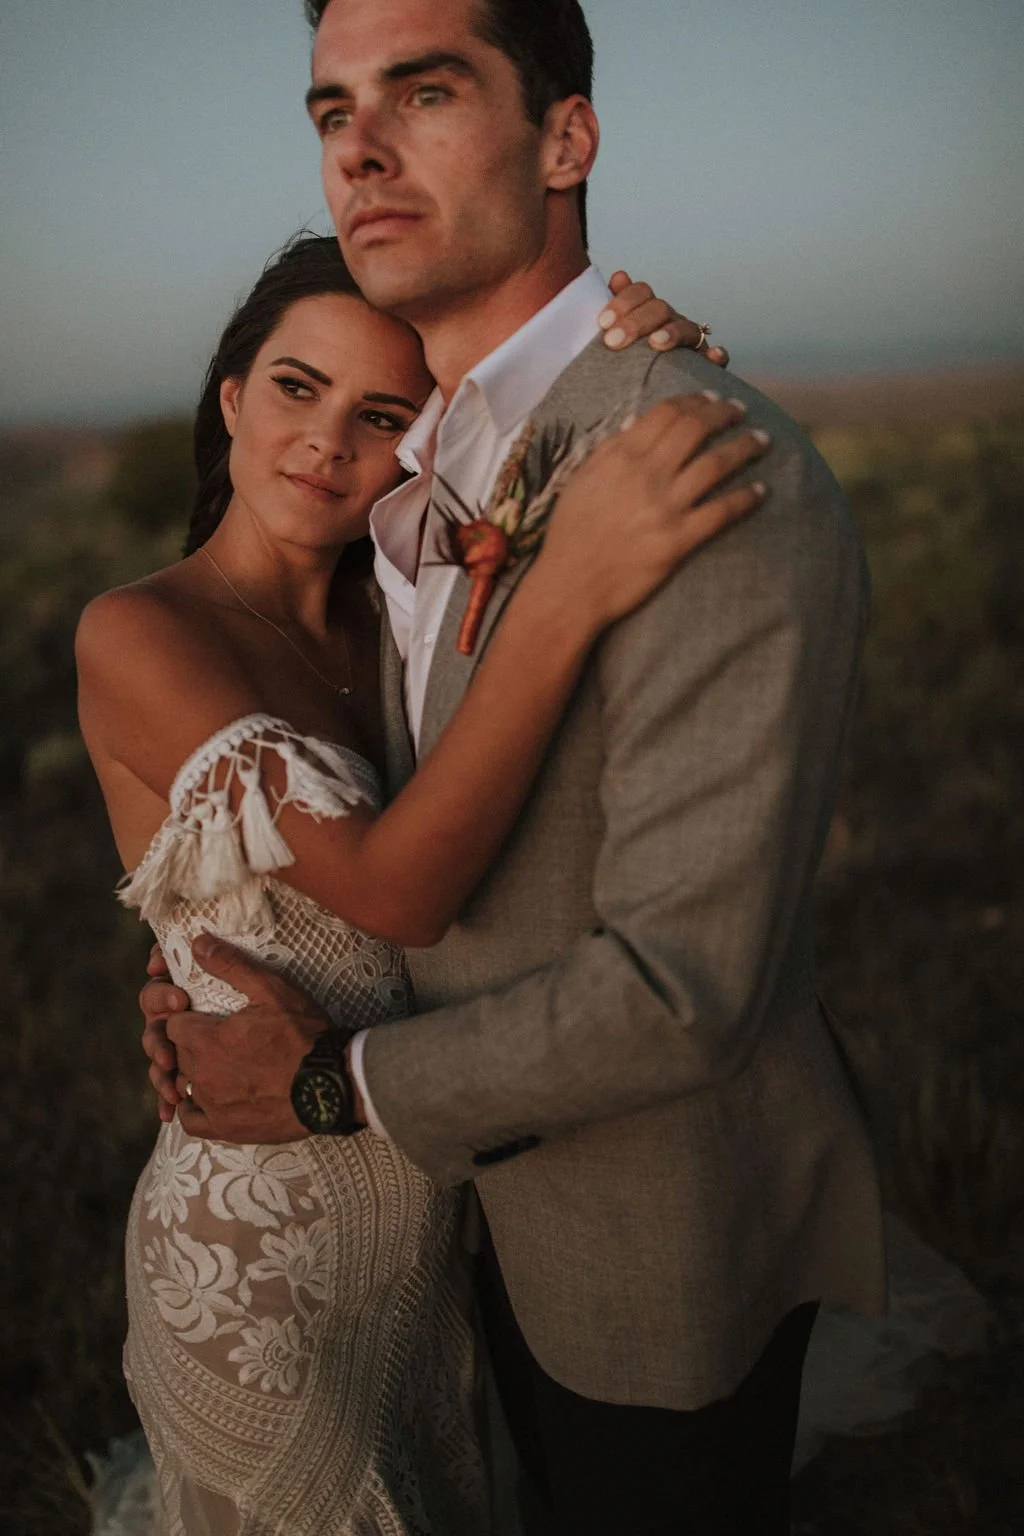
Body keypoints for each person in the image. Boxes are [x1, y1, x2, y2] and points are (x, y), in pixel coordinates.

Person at [139, 0, 887, 1530]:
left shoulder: (702, 471)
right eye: (331, 109)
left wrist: (325, 1082)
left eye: (424, 90)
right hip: (447, 1234)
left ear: (567, 137)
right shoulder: (404, 481)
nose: (361, 144)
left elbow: (681, 989)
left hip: (646, 1258)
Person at [77, 226, 762, 1535]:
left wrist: (642, 363)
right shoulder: (140, 627)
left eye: (379, 412)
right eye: (294, 386)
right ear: (229, 397)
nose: (328, 440)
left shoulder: (405, 609)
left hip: (433, 1216)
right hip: (259, 1252)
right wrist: (570, 596)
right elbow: (397, 894)